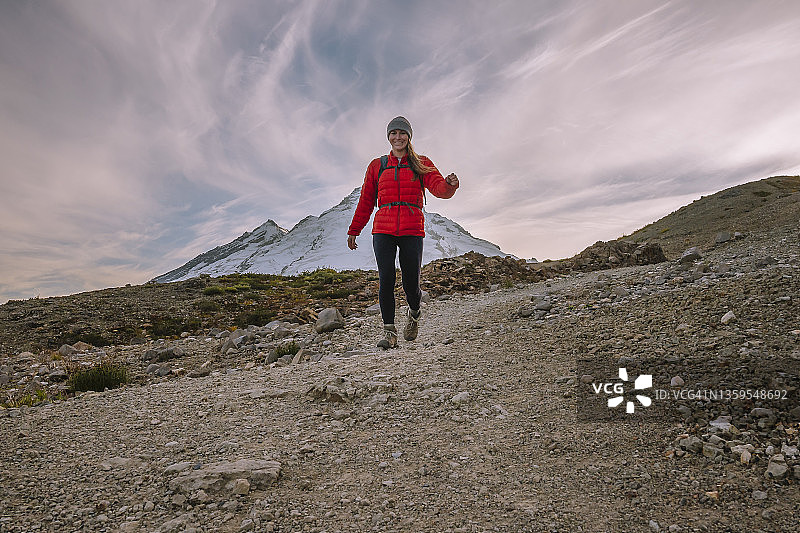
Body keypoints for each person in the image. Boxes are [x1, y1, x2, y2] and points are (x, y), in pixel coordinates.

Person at [347, 116, 459, 348]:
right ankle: (389, 331)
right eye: (393, 133)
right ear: (388, 137)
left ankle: (414, 313)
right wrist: (354, 229)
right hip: (383, 229)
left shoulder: (421, 162)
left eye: (402, 133)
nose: (398, 137)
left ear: (409, 136)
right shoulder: (377, 166)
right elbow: (367, 201)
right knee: (386, 278)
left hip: (412, 228)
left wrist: (449, 185)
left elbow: (439, 189)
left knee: (411, 282)